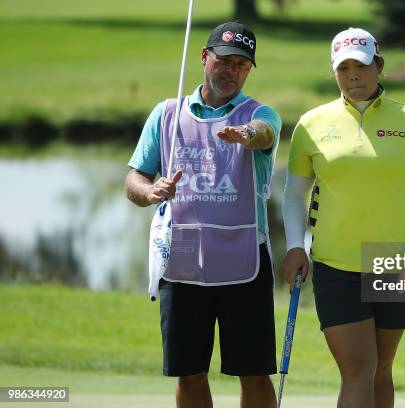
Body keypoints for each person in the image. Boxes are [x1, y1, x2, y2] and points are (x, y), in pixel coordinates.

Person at [281, 27, 405, 408]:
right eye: (344, 68)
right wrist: (295, 246)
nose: (353, 75)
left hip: (398, 264)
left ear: (380, 65)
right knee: (358, 368)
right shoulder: (311, 124)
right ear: (334, 72)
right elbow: (294, 194)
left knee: (381, 369)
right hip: (335, 265)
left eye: (361, 65)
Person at [125, 21, 281, 408]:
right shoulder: (166, 114)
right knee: (189, 371)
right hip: (181, 259)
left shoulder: (260, 114)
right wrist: (150, 191)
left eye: (242, 65)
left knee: (254, 372)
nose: (232, 71)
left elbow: (265, 133)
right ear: (204, 57)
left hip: (243, 259)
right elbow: (134, 178)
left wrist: (245, 134)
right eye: (225, 60)